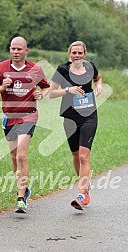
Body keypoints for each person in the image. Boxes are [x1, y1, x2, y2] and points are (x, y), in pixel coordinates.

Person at [0, 36, 50, 213]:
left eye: (19, 49)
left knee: (22, 156)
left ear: (26, 51)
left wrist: (41, 94)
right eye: (13, 49)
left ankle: (21, 198)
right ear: (10, 50)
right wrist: (2, 87)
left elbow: (46, 86)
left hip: (28, 116)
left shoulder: (35, 69)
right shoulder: (1, 68)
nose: (15, 52)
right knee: (14, 158)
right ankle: (23, 188)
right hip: (9, 117)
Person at [49, 41, 102, 210]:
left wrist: (98, 86)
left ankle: (81, 194)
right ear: (69, 54)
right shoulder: (62, 70)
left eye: (80, 53)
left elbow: (98, 78)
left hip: (89, 116)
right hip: (70, 118)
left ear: (84, 54)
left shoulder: (90, 67)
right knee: (75, 155)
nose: (77, 55)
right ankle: (84, 186)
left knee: (83, 157)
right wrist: (68, 90)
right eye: (74, 53)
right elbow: (51, 93)